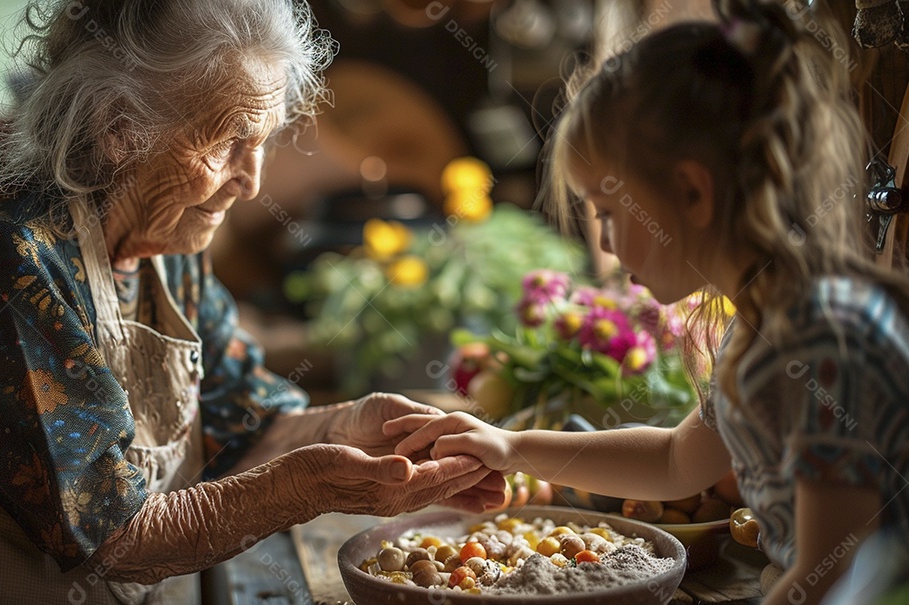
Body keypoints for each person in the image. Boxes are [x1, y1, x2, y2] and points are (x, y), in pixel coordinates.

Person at [0, 1, 505, 603]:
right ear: (120, 129)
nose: (252, 180)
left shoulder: (171, 243)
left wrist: (358, 427)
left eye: (263, 140)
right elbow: (114, 539)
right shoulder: (11, 255)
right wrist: (305, 489)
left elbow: (245, 425)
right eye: (230, 139)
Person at [385, 1, 909, 603]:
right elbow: (676, 461)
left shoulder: (817, 339)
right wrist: (509, 447)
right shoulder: (764, 326)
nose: (603, 238)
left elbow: (837, 575)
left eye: (609, 212)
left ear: (691, 191)